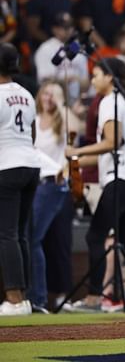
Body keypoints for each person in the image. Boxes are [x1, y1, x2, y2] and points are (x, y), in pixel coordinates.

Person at [64, 58, 125, 312]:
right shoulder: (118, 101)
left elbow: (111, 142)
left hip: (119, 179)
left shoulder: (111, 101)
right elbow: (107, 150)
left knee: (94, 235)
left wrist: (76, 151)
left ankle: (94, 297)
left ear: (109, 78)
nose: (93, 80)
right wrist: (72, 161)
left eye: (97, 75)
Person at [0, 42, 40, 316]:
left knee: (6, 234)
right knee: (21, 234)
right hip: (31, 163)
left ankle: (13, 299)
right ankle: (24, 297)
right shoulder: (26, 94)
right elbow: (33, 133)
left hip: (7, 165)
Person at [26, 81, 73, 313]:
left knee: (59, 241)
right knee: (34, 239)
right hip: (35, 182)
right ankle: (37, 296)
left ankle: (50, 296)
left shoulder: (63, 119)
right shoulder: (31, 119)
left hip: (55, 182)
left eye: (53, 94)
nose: (48, 98)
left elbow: (74, 140)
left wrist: (63, 172)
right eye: (45, 92)